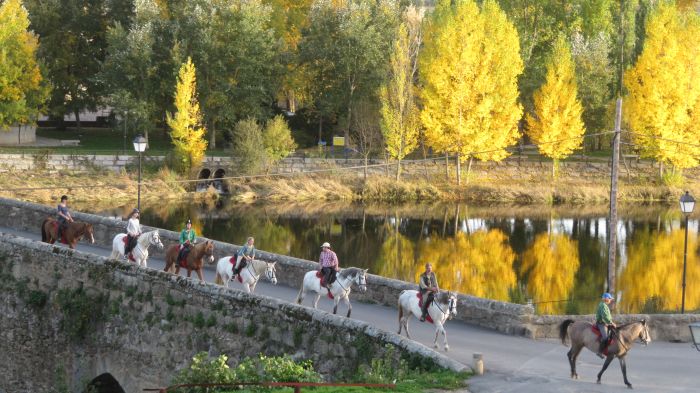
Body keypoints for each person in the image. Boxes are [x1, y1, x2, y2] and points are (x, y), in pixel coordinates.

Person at [596, 292, 616, 358]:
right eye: (610, 299)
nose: (610, 300)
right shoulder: (602, 305)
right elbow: (605, 316)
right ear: (606, 299)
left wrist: (610, 322)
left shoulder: (605, 305)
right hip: (601, 323)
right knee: (605, 337)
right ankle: (600, 352)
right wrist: (611, 323)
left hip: (606, 323)